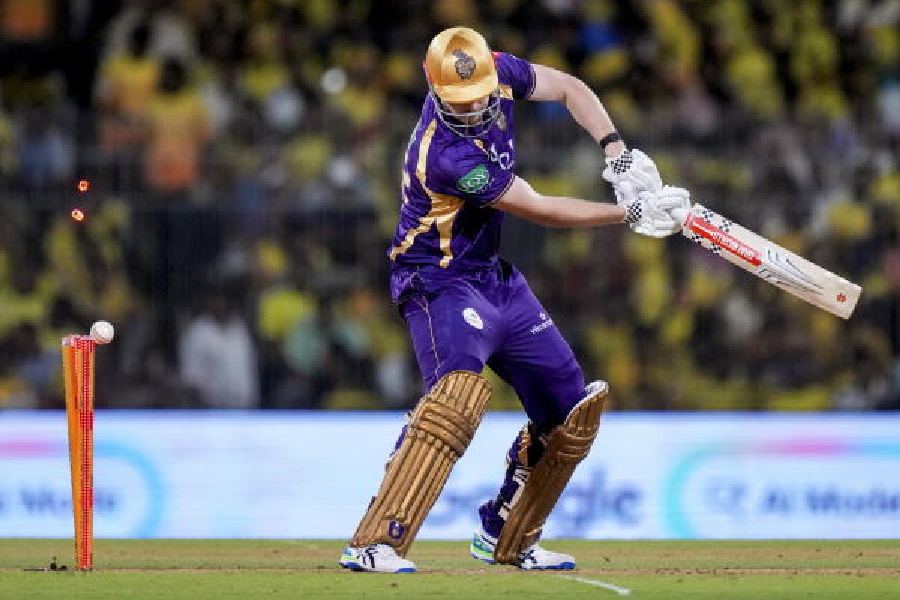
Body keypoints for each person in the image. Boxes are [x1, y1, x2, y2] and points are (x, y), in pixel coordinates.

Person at [339, 27, 688, 574]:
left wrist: (617, 154)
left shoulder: (494, 68)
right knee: (456, 398)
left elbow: (571, 88)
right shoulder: (447, 154)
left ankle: (508, 534)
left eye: (481, 93)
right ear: (434, 91)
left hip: (494, 277)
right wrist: (629, 214)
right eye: (461, 102)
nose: (477, 106)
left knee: (569, 409)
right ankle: (376, 542)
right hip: (438, 280)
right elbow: (539, 207)